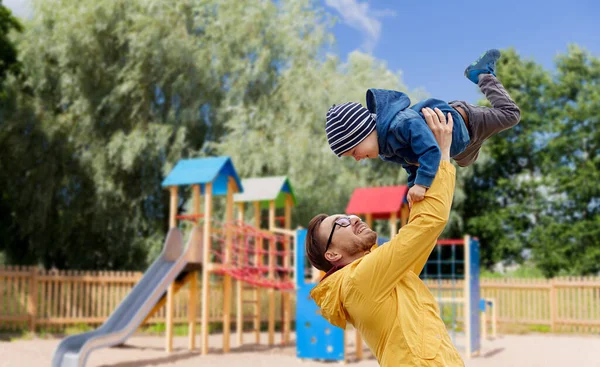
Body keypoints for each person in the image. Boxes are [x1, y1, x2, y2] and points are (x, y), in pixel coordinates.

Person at [306, 107, 463, 366]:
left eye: (349, 215)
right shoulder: (358, 281)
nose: (354, 218)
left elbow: (421, 234)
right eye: (341, 223)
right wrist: (442, 155)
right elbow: (428, 225)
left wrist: (422, 176)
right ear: (332, 255)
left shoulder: (384, 276)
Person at [325, 49, 520, 207]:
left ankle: (482, 74)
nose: (357, 158)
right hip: (463, 146)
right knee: (466, 162)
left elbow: (429, 151)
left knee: (511, 115)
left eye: (354, 151)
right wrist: (414, 191)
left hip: (469, 121)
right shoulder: (386, 151)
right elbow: (411, 165)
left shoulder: (402, 123)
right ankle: (486, 134)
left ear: (364, 132)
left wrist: (421, 185)